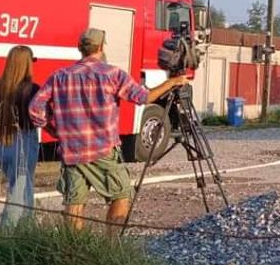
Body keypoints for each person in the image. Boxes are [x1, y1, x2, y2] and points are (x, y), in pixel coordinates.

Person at [28, 27, 188, 236]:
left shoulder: (59, 76)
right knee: (121, 194)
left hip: (72, 151)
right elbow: (143, 98)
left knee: (74, 201)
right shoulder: (112, 74)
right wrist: (172, 82)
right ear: (101, 47)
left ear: (80, 48)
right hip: (102, 150)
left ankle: (73, 249)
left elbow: (34, 109)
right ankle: (111, 245)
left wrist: (55, 129)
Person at [0, 45, 41, 229]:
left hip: (0, 141)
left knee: (18, 186)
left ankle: (26, 230)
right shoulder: (32, 89)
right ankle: (10, 233)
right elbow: (39, 118)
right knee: (20, 191)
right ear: (27, 63)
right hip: (23, 140)